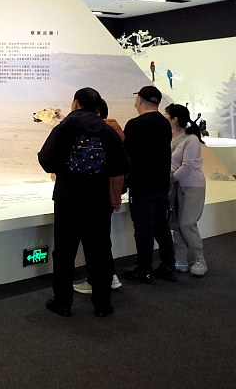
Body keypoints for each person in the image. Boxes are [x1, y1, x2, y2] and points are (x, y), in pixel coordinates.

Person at [39, 87, 129, 317]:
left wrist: (64, 169)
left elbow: (46, 159)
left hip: (68, 199)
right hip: (98, 202)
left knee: (64, 253)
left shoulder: (64, 128)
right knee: (99, 252)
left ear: (75, 103)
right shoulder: (107, 131)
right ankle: (102, 305)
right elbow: (122, 165)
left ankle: (63, 303)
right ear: (97, 107)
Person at [122, 86, 176, 283]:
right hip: (161, 184)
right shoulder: (164, 123)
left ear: (140, 100)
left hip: (142, 184)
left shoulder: (134, 125)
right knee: (161, 227)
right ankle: (168, 266)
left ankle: (144, 269)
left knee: (143, 229)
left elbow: (127, 156)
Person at [73, 98, 124, 295]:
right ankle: (108, 277)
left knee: (95, 241)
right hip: (109, 194)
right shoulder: (114, 131)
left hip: (98, 194)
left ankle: (101, 279)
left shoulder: (102, 131)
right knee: (102, 239)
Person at [165, 103, 208, 276]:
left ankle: (199, 258)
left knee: (187, 223)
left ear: (175, 119)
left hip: (192, 186)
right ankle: (180, 258)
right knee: (175, 222)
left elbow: (188, 165)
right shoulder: (169, 137)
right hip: (175, 186)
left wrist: (170, 179)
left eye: (167, 116)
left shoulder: (191, 139)